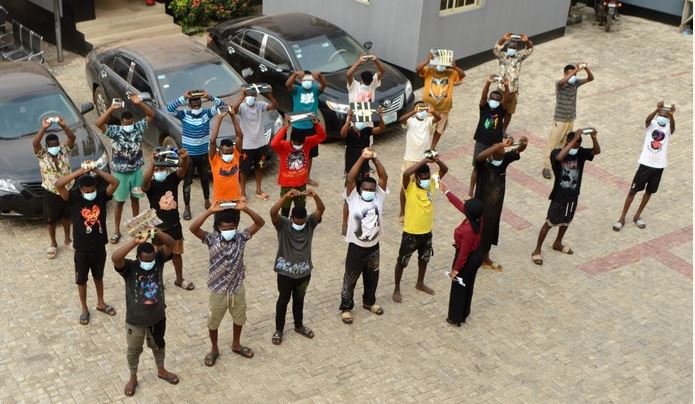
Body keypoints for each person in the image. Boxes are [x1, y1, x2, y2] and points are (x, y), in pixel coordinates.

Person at [189, 200, 265, 366]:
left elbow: (260, 222)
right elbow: (193, 228)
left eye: (232, 227)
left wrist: (245, 208)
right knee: (213, 321)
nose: (229, 230)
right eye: (225, 228)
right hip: (218, 290)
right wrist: (209, 211)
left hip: (237, 288)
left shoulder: (241, 238)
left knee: (239, 318)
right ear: (218, 227)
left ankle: (236, 344)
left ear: (236, 226)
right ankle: (214, 349)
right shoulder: (211, 239)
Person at [112, 228, 180, 396]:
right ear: (138, 259)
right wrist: (135, 241)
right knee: (134, 350)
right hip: (135, 321)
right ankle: (133, 377)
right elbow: (115, 258)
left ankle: (161, 370)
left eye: (151, 259)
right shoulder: (129, 268)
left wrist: (155, 232)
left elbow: (171, 243)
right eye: (145, 260)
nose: (149, 263)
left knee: (159, 345)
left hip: (157, 317)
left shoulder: (159, 261)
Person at [55, 165, 120, 325]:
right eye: (87, 191)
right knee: (81, 280)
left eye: (92, 190)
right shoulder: (73, 199)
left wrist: (97, 171)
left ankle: (100, 302)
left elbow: (115, 182)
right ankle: (84, 308)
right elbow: (58, 184)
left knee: (99, 277)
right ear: (81, 190)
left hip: (99, 247)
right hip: (82, 250)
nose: (90, 193)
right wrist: (79, 172)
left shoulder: (101, 197)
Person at [531, 129, 601, 265]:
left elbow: (596, 151)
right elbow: (558, 158)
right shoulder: (556, 153)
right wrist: (574, 140)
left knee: (566, 221)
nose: (576, 147)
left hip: (573, 196)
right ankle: (537, 250)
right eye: (573, 144)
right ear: (567, 143)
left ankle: (558, 243)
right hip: (559, 196)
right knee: (549, 222)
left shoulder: (580, 153)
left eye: (578, 145)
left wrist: (594, 138)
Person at [95, 94, 155, 244]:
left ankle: (136, 227)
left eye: (130, 122)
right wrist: (110, 109)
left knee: (136, 200)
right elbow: (98, 123)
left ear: (133, 121)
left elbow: (151, 115)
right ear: (121, 122)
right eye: (125, 123)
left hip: (136, 172)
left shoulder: (138, 128)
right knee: (119, 203)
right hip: (120, 174)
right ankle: (116, 231)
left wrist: (140, 103)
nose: (128, 125)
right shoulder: (115, 131)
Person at [269, 188, 325, 344]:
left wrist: (316, 196)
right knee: (283, 300)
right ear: (291, 218)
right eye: (297, 222)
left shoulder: (310, 223)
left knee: (299, 300)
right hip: (285, 274)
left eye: (302, 222)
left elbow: (321, 209)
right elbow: (273, 212)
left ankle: (299, 326)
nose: (300, 224)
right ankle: (279, 330)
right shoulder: (283, 225)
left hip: (304, 273)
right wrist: (285, 197)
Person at [340, 148, 388, 325]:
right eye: (365, 188)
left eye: (371, 188)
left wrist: (375, 158)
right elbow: (350, 178)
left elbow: (384, 177)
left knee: (372, 276)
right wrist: (362, 157)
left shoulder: (378, 198)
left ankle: (369, 302)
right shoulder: (353, 198)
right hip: (356, 247)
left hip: (374, 247)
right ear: (360, 189)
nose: (368, 191)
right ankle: (346, 307)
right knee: (350, 278)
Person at [392, 156, 448, 303]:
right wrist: (423, 161)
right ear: (416, 177)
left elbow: (445, 170)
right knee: (402, 262)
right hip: (411, 232)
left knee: (424, 259)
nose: (424, 179)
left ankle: (420, 282)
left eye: (427, 176)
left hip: (427, 232)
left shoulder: (431, 184)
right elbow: (405, 174)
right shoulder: (409, 186)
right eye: (421, 176)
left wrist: (435, 160)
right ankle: (397, 288)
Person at [613, 102, 676, 231]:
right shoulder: (651, 125)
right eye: (661, 114)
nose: (663, 116)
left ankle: (637, 215)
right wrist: (655, 110)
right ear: (658, 115)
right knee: (633, 191)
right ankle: (622, 218)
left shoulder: (668, 127)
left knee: (649, 192)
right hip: (645, 164)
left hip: (659, 166)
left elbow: (673, 128)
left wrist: (672, 115)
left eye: (666, 115)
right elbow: (647, 121)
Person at [471, 137, 528, 271]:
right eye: (499, 146)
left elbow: (519, 150)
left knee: (491, 229)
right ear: (493, 151)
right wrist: (499, 145)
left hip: (496, 203)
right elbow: (479, 157)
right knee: (479, 229)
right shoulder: (484, 162)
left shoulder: (505, 159)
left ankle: (485, 257)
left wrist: (524, 144)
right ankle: (474, 257)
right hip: (481, 201)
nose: (503, 147)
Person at [167, 90, 224, 220]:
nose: (196, 106)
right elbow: (169, 109)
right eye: (193, 104)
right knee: (187, 182)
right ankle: (187, 207)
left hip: (203, 154)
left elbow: (222, 106)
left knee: (205, 179)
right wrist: (183, 97)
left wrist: (209, 96)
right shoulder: (184, 115)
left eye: (198, 103)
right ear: (189, 105)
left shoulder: (207, 114)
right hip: (189, 157)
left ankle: (206, 200)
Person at [142, 147, 194, 290]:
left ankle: (179, 279)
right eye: (156, 169)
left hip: (174, 225)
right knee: (159, 258)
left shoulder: (172, 179)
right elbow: (143, 183)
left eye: (161, 168)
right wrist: (152, 164)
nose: (159, 171)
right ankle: (158, 281)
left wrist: (185, 158)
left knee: (177, 254)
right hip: (158, 228)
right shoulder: (150, 185)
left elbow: (183, 170)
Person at [439, 185, 484, 327]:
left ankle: (455, 317)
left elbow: (463, 254)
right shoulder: (478, 219)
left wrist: (455, 270)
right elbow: (459, 205)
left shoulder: (468, 231)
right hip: (476, 255)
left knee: (458, 288)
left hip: (467, 259)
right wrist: (446, 191)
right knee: (468, 285)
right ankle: (464, 312)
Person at [33, 116, 75, 259]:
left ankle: (68, 239)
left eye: (56, 144)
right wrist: (44, 128)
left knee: (67, 216)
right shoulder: (42, 154)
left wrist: (64, 125)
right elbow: (35, 142)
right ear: (47, 146)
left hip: (68, 189)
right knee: (51, 220)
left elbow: (72, 137)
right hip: (51, 191)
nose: (54, 147)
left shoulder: (64, 150)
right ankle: (53, 243)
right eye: (51, 145)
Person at [543, 63, 594, 179]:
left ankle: (559, 162)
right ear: (565, 74)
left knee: (564, 143)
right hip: (560, 120)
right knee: (553, 143)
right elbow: (561, 82)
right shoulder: (560, 85)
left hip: (570, 119)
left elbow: (591, 78)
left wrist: (585, 68)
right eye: (570, 73)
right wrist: (575, 70)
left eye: (575, 74)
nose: (573, 76)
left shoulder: (575, 83)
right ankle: (546, 167)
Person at [339, 107, 385, 235]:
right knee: (348, 197)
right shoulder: (348, 131)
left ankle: (361, 217)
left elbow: (381, 129)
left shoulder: (367, 130)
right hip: (350, 170)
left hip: (364, 169)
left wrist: (380, 117)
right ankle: (345, 223)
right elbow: (342, 134)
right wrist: (348, 119)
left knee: (363, 193)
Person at [270, 116, 327, 217]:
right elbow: (274, 143)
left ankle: (299, 223)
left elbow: (322, 137)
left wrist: (316, 124)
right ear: (291, 140)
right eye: (296, 144)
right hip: (287, 185)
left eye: (300, 144)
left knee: (300, 207)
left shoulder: (308, 142)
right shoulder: (283, 146)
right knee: (285, 208)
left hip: (301, 183)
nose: (298, 146)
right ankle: (286, 224)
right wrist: (284, 127)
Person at [232, 87, 279, 200]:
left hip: (260, 144)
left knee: (260, 167)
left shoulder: (260, 105)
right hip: (246, 145)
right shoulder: (242, 107)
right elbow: (233, 110)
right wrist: (241, 97)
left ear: (255, 97)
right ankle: (242, 192)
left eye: (252, 96)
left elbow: (274, 106)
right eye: (248, 96)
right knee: (244, 170)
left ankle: (259, 190)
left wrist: (269, 95)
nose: (250, 98)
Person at [398, 102, 441, 220]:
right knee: (404, 186)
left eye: (423, 108)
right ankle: (402, 212)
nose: (421, 111)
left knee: (422, 185)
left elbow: (439, 118)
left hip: (423, 160)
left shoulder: (428, 121)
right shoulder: (410, 121)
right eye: (419, 108)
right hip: (410, 159)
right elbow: (401, 120)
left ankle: (419, 207)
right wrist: (413, 112)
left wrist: (431, 110)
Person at [469, 76, 510, 197]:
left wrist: (507, 86)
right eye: (492, 98)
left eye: (497, 99)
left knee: (492, 168)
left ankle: (488, 189)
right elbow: (483, 97)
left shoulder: (501, 110)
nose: (494, 101)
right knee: (476, 167)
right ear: (489, 99)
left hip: (495, 145)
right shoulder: (484, 108)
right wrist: (487, 83)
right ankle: (471, 191)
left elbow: (507, 99)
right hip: (481, 142)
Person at [416, 51, 466, 150]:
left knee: (439, 129)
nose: (441, 65)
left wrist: (454, 66)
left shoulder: (451, 73)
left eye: (443, 63)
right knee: (423, 126)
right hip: (427, 107)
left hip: (444, 108)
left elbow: (462, 75)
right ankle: (422, 145)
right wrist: (427, 61)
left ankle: (432, 147)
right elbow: (418, 69)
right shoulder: (429, 71)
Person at [286, 70, 327, 186]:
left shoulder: (315, 90)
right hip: (297, 126)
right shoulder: (296, 90)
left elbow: (324, 85)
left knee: (310, 154)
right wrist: (294, 75)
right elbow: (287, 85)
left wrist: (319, 76)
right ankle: (293, 174)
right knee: (294, 152)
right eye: (304, 79)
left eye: (309, 80)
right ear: (301, 80)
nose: (307, 82)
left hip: (311, 127)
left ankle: (307, 177)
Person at [493, 32, 533, 130]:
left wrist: (526, 41)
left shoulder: (519, 57)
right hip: (501, 90)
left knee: (509, 113)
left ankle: (503, 130)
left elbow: (530, 49)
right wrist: (503, 38)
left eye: (514, 48)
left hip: (513, 91)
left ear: (517, 49)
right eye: (510, 47)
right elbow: (496, 48)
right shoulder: (502, 56)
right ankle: (494, 129)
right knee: (497, 111)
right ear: (507, 48)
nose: (512, 49)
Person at [209, 111, 243, 204]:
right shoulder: (214, 159)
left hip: (235, 199)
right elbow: (212, 141)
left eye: (231, 152)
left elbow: (239, 136)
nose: (229, 155)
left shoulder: (236, 155)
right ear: (219, 151)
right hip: (219, 200)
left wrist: (233, 116)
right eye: (226, 153)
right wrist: (219, 119)